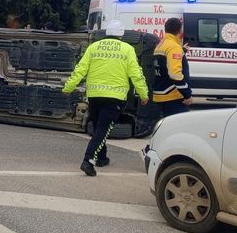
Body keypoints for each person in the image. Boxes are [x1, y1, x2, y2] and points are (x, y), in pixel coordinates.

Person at [62, 20, 149, 177]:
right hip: (115, 98)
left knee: (98, 127)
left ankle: (101, 158)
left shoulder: (93, 47)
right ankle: (88, 160)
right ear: (121, 35)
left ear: (107, 33)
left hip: (94, 96)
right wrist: (143, 94)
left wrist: (69, 87)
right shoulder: (127, 49)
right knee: (103, 129)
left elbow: (80, 69)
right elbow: (136, 74)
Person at [153, 17, 193, 116]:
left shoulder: (161, 45)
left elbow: (165, 62)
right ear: (180, 30)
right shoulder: (174, 47)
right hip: (173, 97)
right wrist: (187, 95)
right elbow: (175, 74)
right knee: (180, 128)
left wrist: (182, 50)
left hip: (161, 94)